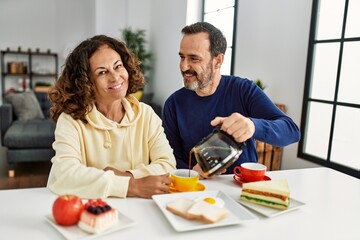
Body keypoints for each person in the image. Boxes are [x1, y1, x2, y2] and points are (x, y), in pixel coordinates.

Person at [162, 22, 300, 179]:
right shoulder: (174, 104)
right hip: (196, 187)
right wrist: (192, 173)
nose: (184, 66)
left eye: (194, 58)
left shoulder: (243, 90)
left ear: (218, 61)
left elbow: (291, 131)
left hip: (242, 188)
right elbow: (169, 157)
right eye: (182, 57)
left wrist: (253, 126)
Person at [47, 35, 176, 199]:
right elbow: (64, 174)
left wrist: (125, 176)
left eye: (118, 66)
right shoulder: (71, 120)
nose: (115, 77)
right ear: (85, 82)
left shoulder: (146, 114)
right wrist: (133, 186)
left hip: (140, 209)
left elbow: (168, 165)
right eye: (102, 72)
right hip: (91, 209)